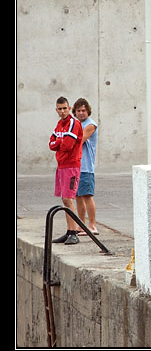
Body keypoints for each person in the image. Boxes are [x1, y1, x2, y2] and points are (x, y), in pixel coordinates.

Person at [49, 96, 84, 245]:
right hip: (62, 165)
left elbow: (68, 145)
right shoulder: (59, 124)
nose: (62, 111)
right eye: (60, 109)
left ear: (69, 109)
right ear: (56, 110)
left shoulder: (73, 123)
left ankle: (74, 232)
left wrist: (59, 143)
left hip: (71, 165)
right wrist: (59, 142)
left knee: (69, 198)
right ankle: (69, 231)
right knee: (64, 199)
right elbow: (51, 143)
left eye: (65, 108)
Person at [72, 98, 99, 235]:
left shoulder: (90, 125)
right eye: (78, 111)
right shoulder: (75, 124)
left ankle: (92, 225)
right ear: (75, 112)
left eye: (84, 110)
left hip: (86, 167)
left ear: (88, 111)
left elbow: (77, 141)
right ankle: (81, 225)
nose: (81, 113)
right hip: (75, 166)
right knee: (78, 196)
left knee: (87, 196)